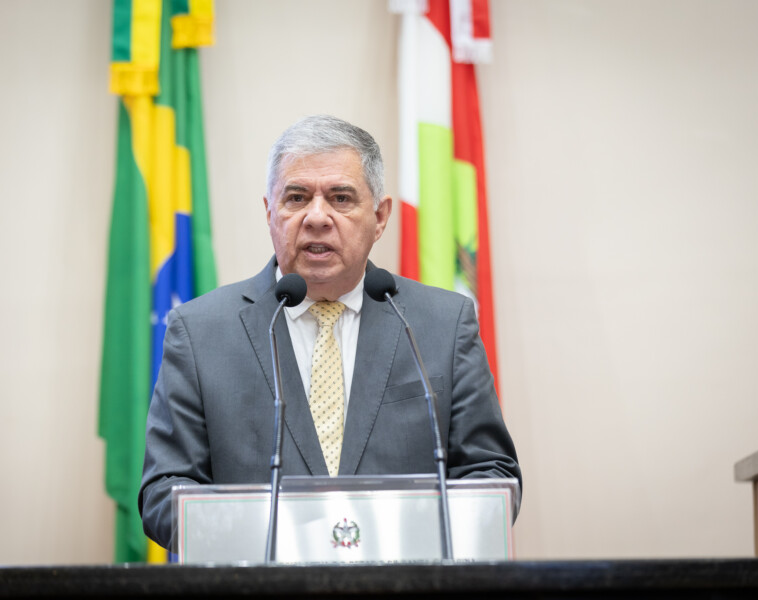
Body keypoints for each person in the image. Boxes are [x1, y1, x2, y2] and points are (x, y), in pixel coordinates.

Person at [139, 115, 521, 549]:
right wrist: (281, 538)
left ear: (380, 217)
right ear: (270, 212)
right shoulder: (200, 332)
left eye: (340, 198)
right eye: (296, 198)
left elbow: (491, 476)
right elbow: (164, 493)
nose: (317, 217)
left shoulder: (443, 324)